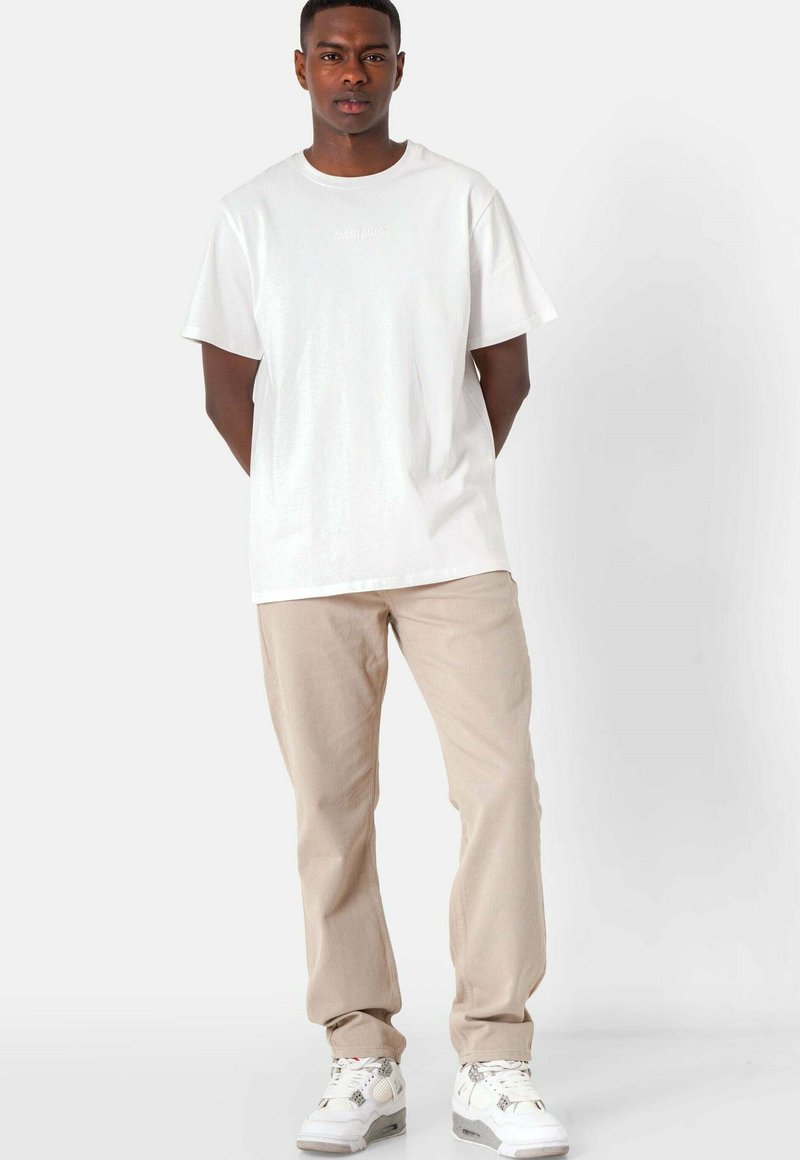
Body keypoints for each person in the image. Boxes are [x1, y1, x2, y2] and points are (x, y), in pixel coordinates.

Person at [180, 1, 569, 1154]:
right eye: (332, 55)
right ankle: (362, 1054)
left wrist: (432, 473)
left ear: (401, 67)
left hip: (454, 552)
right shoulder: (251, 213)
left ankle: (494, 1058)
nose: (352, 73)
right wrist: (311, 490)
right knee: (329, 810)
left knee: (501, 790)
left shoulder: (460, 199)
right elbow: (225, 390)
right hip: (306, 562)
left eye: (372, 55)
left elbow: (506, 370)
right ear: (299, 67)